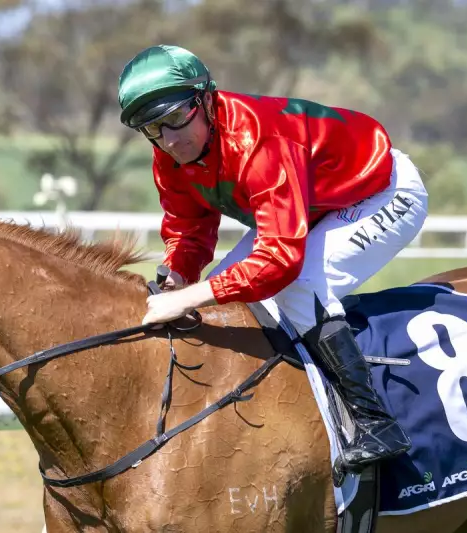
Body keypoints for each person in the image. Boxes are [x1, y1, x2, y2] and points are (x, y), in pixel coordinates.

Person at [118, 44, 428, 478]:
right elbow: (189, 229)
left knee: (297, 285)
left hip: (381, 192)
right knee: (227, 297)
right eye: (152, 128)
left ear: (206, 99)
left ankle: (374, 422)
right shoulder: (170, 154)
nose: (169, 139)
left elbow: (281, 259)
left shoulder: (257, 140)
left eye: (175, 118)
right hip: (313, 204)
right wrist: (179, 277)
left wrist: (193, 296)